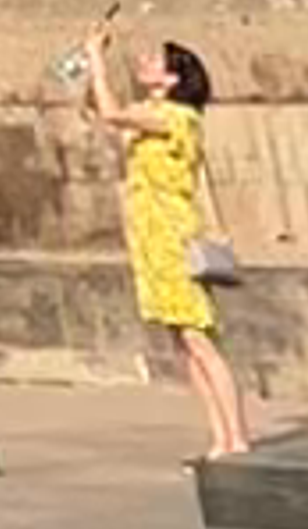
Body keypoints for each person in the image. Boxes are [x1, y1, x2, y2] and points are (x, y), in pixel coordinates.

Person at [71, 29, 253, 465]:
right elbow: (100, 110)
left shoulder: (177, 117)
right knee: (185, 344)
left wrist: (97, 58)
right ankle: (220, 436)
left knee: (200, 339)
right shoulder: (152, 111)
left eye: (157, 62)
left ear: (172, 79)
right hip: (151, 238)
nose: (147, 63)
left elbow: (113, 114)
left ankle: (237, 436)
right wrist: (85, 66)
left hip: (173, 237)